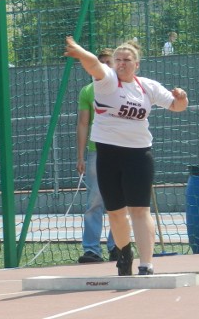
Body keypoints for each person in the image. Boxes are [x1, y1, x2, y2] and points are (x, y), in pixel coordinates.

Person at [64, 36, 188, 276]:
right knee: (116, 213)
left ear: (137, 64)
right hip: (108, 155)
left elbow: (176, 106)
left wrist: (182, 98)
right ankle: (124, 254)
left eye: (126, 60)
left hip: (139, 156)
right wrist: (80, 51)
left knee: (140, 210)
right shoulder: (108, 82)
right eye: (117, 60)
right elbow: (93, 65)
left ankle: (146, 264)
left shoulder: (147, 87)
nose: (120, 63)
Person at [77, 48, 117, 263]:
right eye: (100, 63)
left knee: (119, 202)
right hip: (97, 153)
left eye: (108, 63)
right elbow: (83, 123)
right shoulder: (87, 91)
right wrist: (80, 156)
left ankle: (117, 247)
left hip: (121, 152)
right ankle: (92, 249)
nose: (103, 66)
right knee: (94, 201)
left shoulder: (123, 88)